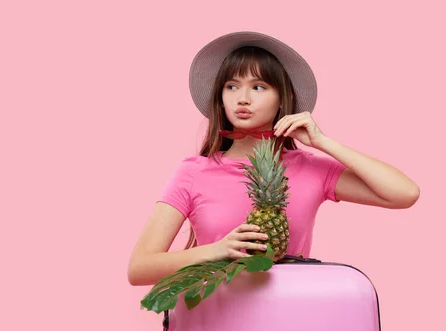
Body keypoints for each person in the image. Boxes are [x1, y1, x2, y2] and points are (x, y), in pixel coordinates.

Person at [127, 31, 419, 286]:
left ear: (283, 99)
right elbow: (139, 268)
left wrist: (323, 142)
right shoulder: (194, 172)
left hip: (289, 319)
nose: (242, 98)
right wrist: (216, 250)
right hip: (214, 322)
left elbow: (404, 194)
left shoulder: (311, 168)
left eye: (258, 87)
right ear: (220, 97)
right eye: (231, 86)